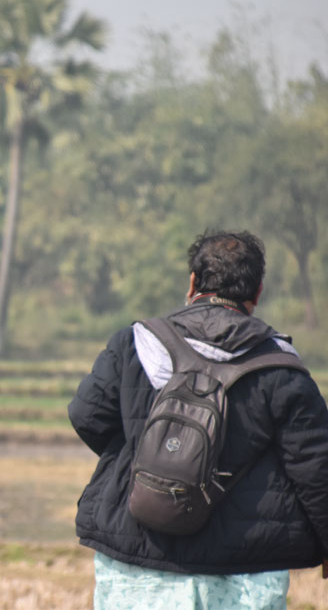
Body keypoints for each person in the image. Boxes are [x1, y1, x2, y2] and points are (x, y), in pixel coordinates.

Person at [68, 230, 328, 608]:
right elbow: (315, 468)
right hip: (244, 567)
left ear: (193, 283)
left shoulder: (134, 343)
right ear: (256, 294)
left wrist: (149, 458)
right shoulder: (282, 369)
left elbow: (86, 415)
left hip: (138, 553)